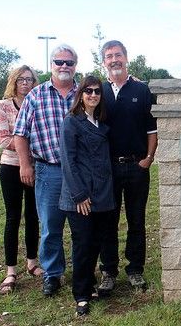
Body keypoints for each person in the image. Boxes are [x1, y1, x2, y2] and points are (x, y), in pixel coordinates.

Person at [13, 44, 78, 296]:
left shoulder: (83, 93)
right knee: (51, 226)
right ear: (51, 64)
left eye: (69, 62)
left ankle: (81, 271)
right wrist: (25, 164)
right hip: (48, 171)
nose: (64, 66)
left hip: (78, 173)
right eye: (59, 61)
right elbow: (20, 134)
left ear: (75, 66)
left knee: (80, 225)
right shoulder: (36, 95)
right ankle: (53, 274)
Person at [97, 40, 157, 294]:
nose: (114, 60)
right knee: (107, 221)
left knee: (136, 220)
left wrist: (149, 158)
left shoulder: (142, 90)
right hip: (107, 169)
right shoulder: (96, 91)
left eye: (118, 55)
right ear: (104, 62)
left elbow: (152, 130)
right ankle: (108, 271)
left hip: (136, 166)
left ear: (126, 57)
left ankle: (135, 269)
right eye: (109, 56)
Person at [59, 75, 114, 316]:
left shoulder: (100, 124)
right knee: (82, 244)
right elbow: (68, 161)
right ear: (80, 94)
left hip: (101, 195)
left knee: (95, 243)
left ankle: (89, 285)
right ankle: (81, 295)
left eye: (97, 91)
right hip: (80, 197)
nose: (93, 95)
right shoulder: (72, 122)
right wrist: (79, 195)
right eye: (88, 91)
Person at [0, 65, 42, 294]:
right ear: (14, 81)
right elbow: (3, 140)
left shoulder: (36, 103)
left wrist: (31, 156)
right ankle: (10, 270)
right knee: (13, 217)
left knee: (33, 215)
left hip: (36, 167)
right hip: (11, 168)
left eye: (30, 79)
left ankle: (32, 261)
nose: (25, 83)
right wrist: (27, 150)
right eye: (21, 79)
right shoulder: (3, 106)